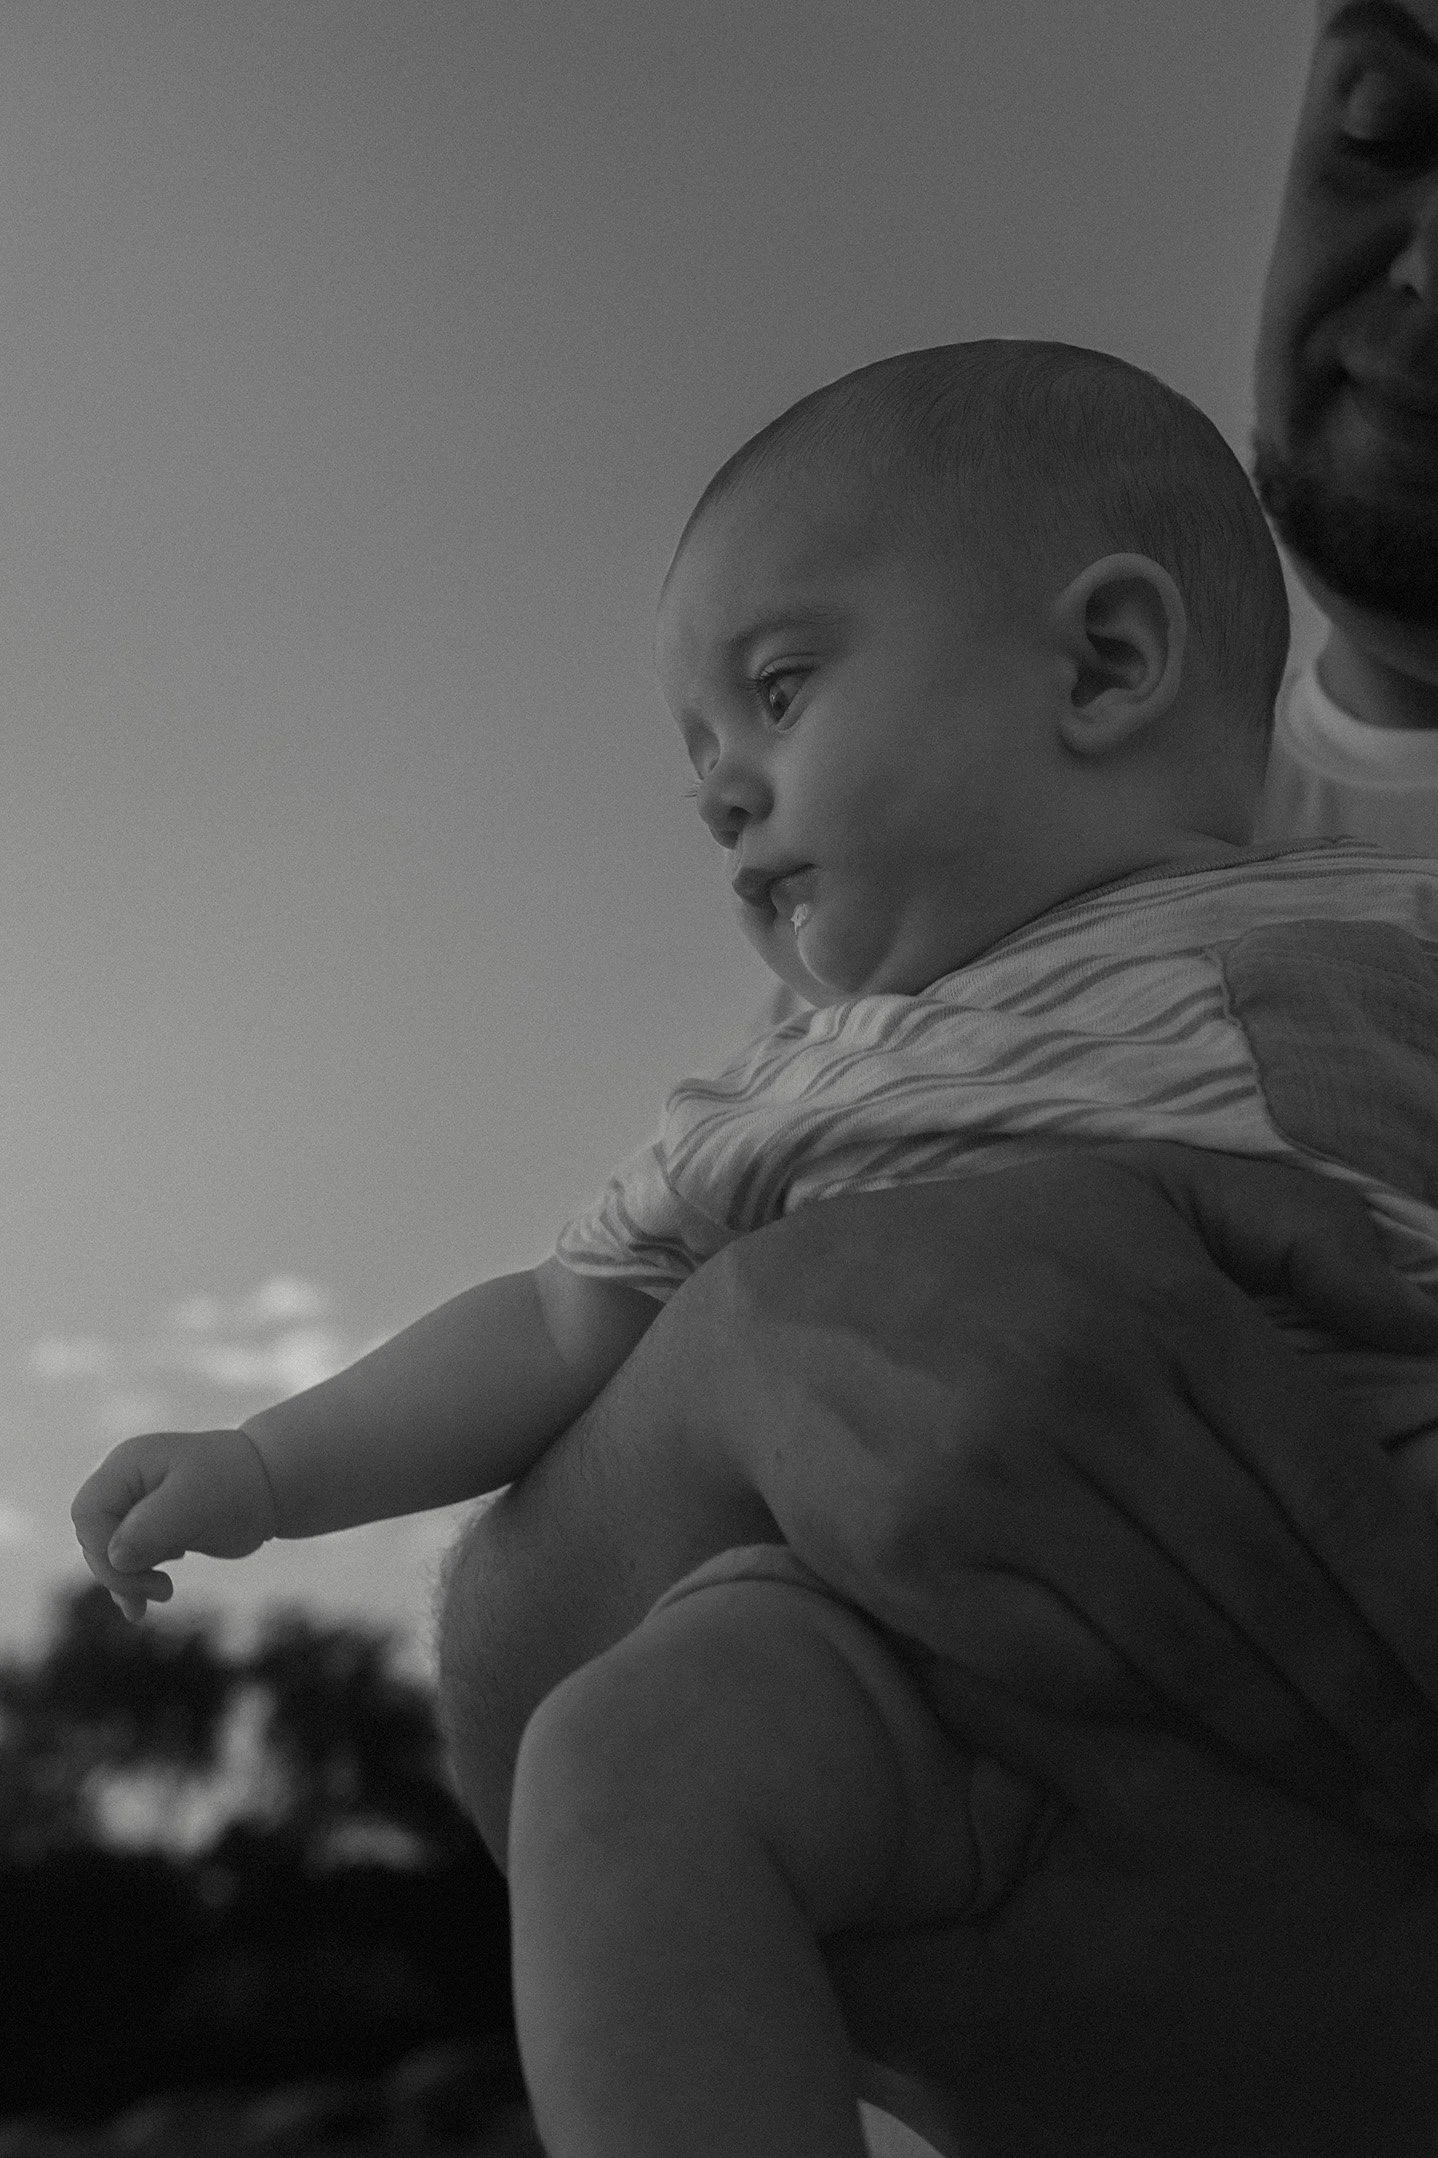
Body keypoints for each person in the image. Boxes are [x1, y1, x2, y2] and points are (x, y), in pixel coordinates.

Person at [72, 334, 1438, 2153]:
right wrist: (265, 1464)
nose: (720, 791)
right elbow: (559, 1330)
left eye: (779, 691)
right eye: (700, 755)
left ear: (1103, 661)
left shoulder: (1387, 916)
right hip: (924, 1692)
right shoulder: (790, 1093)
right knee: (617, 1770)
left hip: (1368, 1533)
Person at [433, 3, 1438, 2152]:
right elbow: (527, 1730)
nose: (1417, 270)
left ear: (1111, 649)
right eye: (1380, 128)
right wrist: (739, 1363)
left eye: (775, 695)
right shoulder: (986, 858)